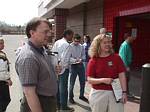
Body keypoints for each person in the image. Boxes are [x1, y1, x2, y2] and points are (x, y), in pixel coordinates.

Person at [15, 17, 58, 112]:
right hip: (39, 104)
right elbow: (29, 93)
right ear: (32, 33)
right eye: (45, 32)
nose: (49, 35)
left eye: (49, 32)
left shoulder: (41, 50)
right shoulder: (28, 57)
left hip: (47, 102)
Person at [87, 34, 127, 112]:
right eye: (104, 42)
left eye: (109, 42)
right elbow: (89, 79)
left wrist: (124, 92)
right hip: (98, 94)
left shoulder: (116, 58)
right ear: (98, 44)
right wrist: (103, 80)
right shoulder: (93, 60)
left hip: (116, 93)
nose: (108, 44)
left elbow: (122, 76)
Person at [52, 29, 74, 111]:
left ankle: (58, 105)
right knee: (63, 89)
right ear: (67, 35)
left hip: (56, 68)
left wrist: (56, 66)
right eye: (71, 35)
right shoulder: (67, 45)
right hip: (63, 69)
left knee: (58, 88)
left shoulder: (57, 42)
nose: (72, 37)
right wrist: (62, 67)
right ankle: (64, 107)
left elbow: (53, 54)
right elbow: (65, 59)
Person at [68, 34, 88, 104]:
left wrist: (81, 59)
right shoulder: (69, 46)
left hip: (80, 65)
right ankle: (70, 97)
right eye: (76, 41)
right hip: (74, 66)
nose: (77, 42)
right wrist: (75, 60)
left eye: (78, 41)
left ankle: (81, 95)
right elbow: (68, 57)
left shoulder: (81, 46)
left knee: (82, 82)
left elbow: (83, 55)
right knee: (72, 83)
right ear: (73, 39)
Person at [0, 38, 12, 112]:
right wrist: (8, 79)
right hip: (1, 82)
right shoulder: (1, 56)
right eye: (1, 43)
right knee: (5, 99)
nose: (3, 45)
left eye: (3, 43)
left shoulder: (2, 54)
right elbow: (2, 70)